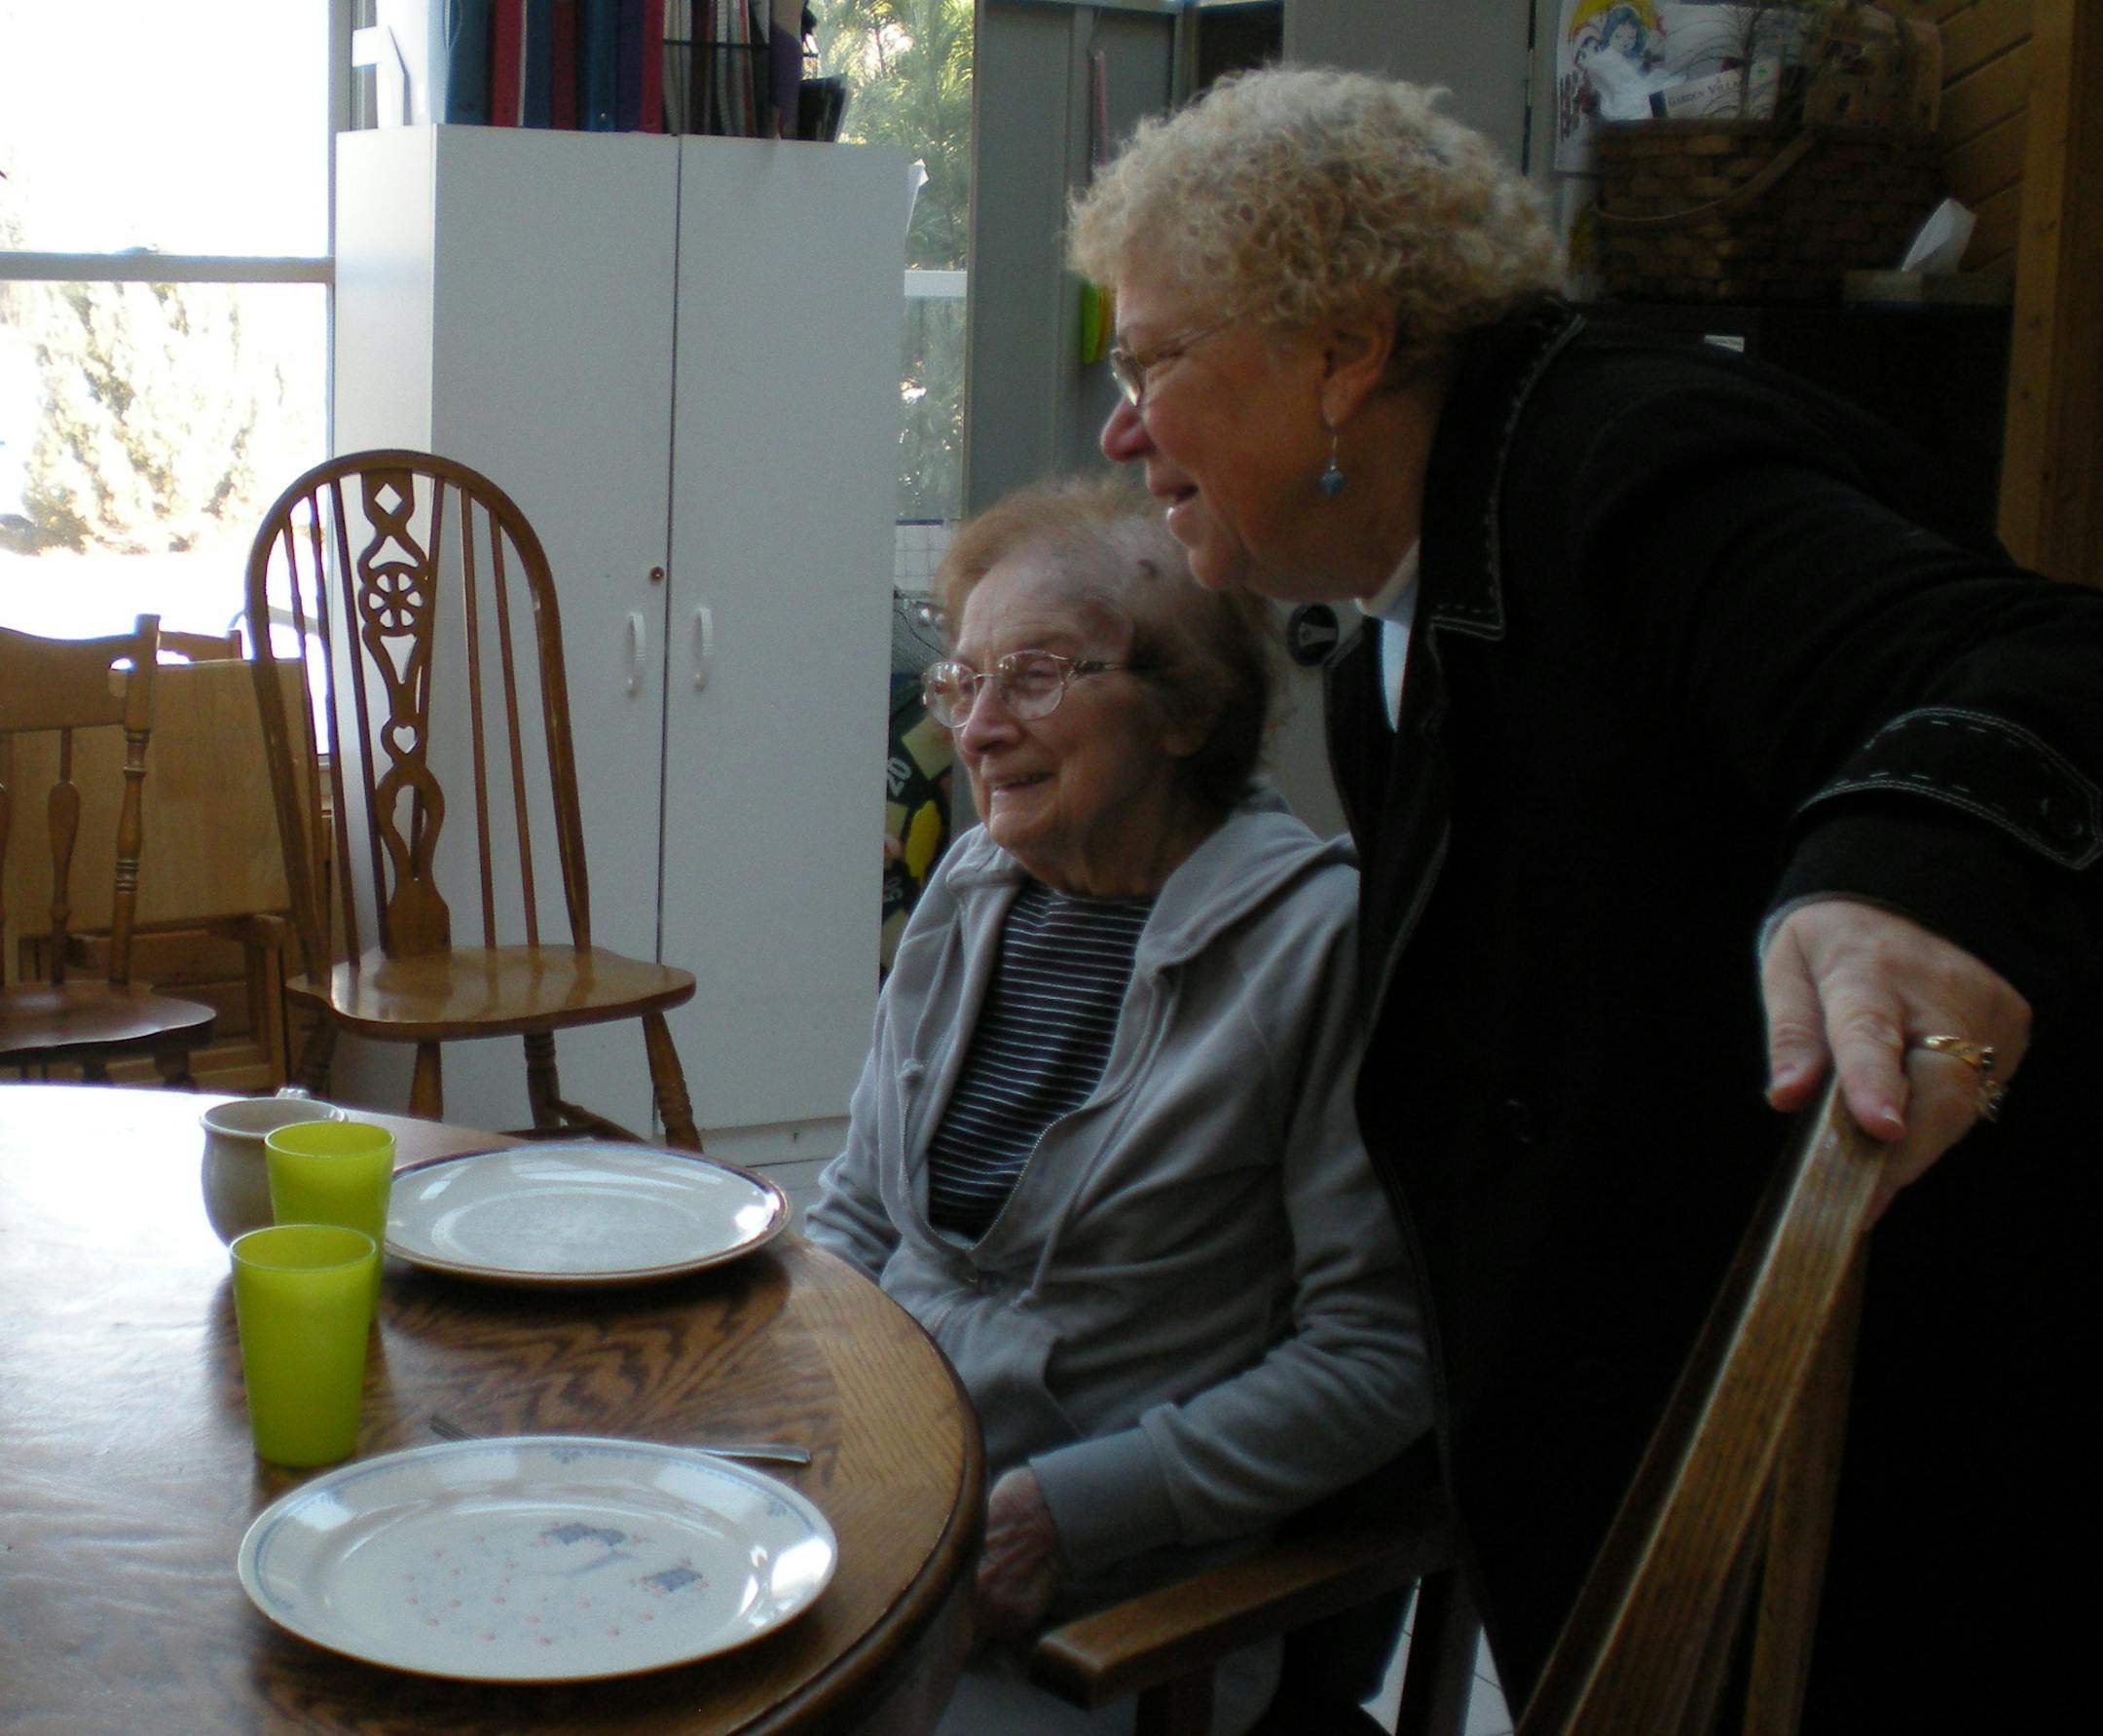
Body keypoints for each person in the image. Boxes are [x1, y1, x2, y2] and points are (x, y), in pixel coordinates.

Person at [1070, 65, 2103, 1728]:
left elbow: (2039, 656)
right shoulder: (1390, 641)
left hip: (1882, 1482)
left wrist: (1899, 879)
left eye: (1153, 362)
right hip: (1620, 1444)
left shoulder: (1621, 465)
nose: (1121, 427)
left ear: (1346, 348)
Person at [806, 475, 1432, 1734]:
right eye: (961, 683)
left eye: (1034, 675)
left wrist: (1068, 1510)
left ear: (1185, 707)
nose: (976, 730)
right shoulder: (976, 885)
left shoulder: (1317, 948)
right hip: (887, 1535)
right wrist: (796, 1413)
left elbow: (1381, 1363)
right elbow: (862, 1219)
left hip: (1114, 1627)